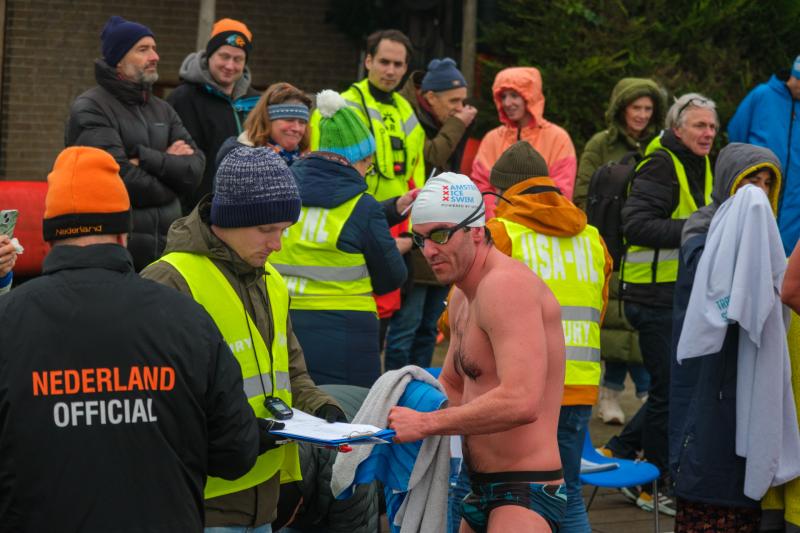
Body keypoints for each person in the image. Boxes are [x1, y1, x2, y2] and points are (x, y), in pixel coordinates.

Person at [0, 146, 265, 531]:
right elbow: (236, 452)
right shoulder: (187, 319)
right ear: (124, 232)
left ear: (50, 236)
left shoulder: (8, 323)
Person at [141, 145, 343, 532]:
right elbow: (153, 403)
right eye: (266, 230)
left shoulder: (272, 282)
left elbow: (292, 374)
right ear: (229, 218)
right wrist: (241, 435)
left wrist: (323, 410)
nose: (277, 244)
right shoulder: (170, 280)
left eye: (283, 230)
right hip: (200, 503)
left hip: (264, 500)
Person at [388, 172, 567, 532]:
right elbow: (453, 385)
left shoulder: (506, 286)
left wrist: (424, 424)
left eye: (440, 235)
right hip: (477, 487)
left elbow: (522, 401)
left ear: (475, 230)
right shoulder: (461, 295)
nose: (429, 250)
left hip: (525, 489)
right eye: (421, 239)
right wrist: (379, 425)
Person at [485, 141, 611, 532]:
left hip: (523, 387)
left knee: (502, 495)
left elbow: (466, 313)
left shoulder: (501, 233)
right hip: (578, 384)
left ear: (505, 191)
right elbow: (599, 309)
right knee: (567, 494)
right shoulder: (593, 238)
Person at [605, 93, 717, 515]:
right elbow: (637, 225)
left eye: (712, 126)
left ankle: (621, 448)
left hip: (678, 293)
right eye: (699, 126)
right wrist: (700, 227)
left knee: (673, 387)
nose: (708, 133)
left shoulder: (702, 162)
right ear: (677, 128)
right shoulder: (661, 164)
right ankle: (651, 484)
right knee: (668, 390)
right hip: (650, 295)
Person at [670, 143, 782, 532]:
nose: (759, 193)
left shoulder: (767, 234)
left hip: (748, 380)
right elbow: (712, 286)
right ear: (729, 181)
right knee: (707, 465)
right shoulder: (703, 227)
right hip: (708, 379)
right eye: (751, 181)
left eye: (767, 183)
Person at [269, 90, 407, 387]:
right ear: (357, 159)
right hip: (347, 335)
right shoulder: (362, 206)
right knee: (347, 411)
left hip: (280, 324)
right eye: (368, 164)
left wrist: (393, 209)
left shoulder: (281, 194)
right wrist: (402, 245)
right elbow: (391, 278)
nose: (367, 172)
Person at [309, 29, 426, 341]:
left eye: (398, 64)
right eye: (384, 62)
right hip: (350, 226)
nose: (391, 71)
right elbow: (322, 167)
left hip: (395, 228)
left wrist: (413, 232)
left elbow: (415, 177)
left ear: (406, 68)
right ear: (368, 61)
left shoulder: (406, 111)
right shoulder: (342, 107)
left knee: (384, 327)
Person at [65, 16, 205, 272]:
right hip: (116, 258)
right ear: (118, 59)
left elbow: (195, 170)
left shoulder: (163, 109)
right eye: (143, 49)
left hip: (166, 257)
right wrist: (173, 180)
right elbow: (117, 180)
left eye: (154, 48)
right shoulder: (92, 108)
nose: (155, 56)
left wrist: (145, 158)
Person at [574, 77, 666, 425]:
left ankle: (640, 391)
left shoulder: (660, 145)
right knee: (613, 322)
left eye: (648, 108)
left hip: (648, 244)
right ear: (620, 109)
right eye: (635, 107)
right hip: (609, 242)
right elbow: (582, 191)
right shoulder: (600, 144)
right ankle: (612, 393)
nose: (642, 115)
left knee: (640, 322)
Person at [386, 57, 477, 371]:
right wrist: (458, 124)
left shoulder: (438, 118)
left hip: (442, 235)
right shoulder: (409, 116)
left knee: (429, 328)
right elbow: (432, 157)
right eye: (453, 101)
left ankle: (422, 386)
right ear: (430, 97)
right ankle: (395, 387)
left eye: (463, 101)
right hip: (412, 235)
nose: (460, 108)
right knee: (405, 328)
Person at [167, 18, 260, 211]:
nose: (230, 66)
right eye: (224, 56)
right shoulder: (183, 99)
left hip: (246, 209)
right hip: (197, 211)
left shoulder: (256, 102)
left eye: (238, 59)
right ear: (209, 55)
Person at [471, 66, 576, 218]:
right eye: (503, 97)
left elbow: (561, 193)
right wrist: (497, 222)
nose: (507, 103)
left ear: (530, 97)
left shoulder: (558, 138)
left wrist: (527, 221)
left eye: (514, 95)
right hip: (496, 226)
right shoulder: (491, 139)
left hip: (542, 226)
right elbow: (481, 186)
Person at [728, 54, 800, 254]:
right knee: (751, 252)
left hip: (795, 203)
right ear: (795, 76)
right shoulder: (762, 95)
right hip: (758, 189)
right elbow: (736, 136)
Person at [237, 82, 312, 165]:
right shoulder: (243, 161)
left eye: (302, 122)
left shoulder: (308, 161)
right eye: (289, 120)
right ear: (267, 120)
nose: (296, 128)